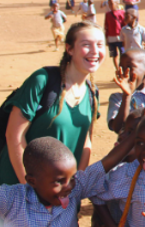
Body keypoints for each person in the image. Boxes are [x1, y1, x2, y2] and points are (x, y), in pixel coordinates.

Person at [0, 21, 103, 185]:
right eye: (86, 45)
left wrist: (74, 187)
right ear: (69, 49)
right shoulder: (42, 80)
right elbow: (14, 137)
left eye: (100, 45)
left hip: (59, 197)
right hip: (18, 193)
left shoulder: (92, 92)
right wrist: (31, 189)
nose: (95, 51)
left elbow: (86, 142)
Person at [0, 134, 133, 227]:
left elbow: (106, 163)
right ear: (31, 181)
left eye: (72, 178)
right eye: (59, 182)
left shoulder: (75, 191)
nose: (69, 186)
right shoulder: (13, 199)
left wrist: (134, 135)